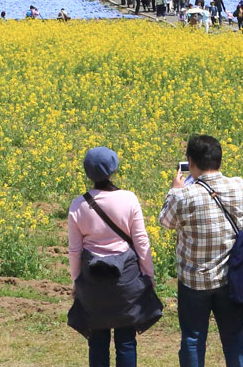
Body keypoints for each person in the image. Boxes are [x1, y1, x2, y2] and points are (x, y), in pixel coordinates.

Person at [160, 135, 243, 366]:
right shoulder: (240, 186)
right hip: (231, 277)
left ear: (190, 162)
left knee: (193, 338)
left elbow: (166, 221)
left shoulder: (184, 195)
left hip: (194, 280)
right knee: (234, 338)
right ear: (219, 160)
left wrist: (174, 191)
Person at [68, 147, 157, 367]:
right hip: (125, 278)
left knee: (97, 339)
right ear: (113, 169)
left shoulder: (78, 205)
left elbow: (74, 251)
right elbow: (141, 242)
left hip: (92, 279)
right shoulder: (129, 199)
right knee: (126, 340)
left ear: (88, 173)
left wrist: (76, 281)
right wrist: (148, 275)